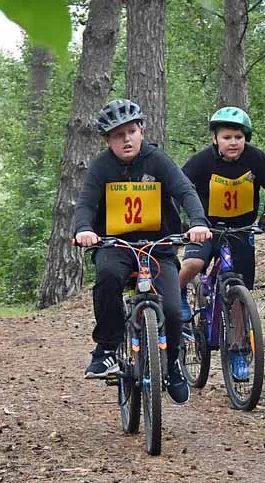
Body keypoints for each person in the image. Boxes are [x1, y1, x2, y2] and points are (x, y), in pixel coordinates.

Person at [74, 98, 212, 405]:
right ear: (107, 140)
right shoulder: (101, 167)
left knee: (174, 311)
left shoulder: (157, 160)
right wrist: (84, 229)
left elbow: (185, 190)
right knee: (107, 277)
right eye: (117, 135)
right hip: (116, 245)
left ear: (142, 130)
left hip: (158, 247)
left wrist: (198, 222)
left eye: (131, 132)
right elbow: (85, 203)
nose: (126, 139)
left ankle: (173, 363)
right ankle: (107, 348)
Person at [178, 106, 265, 380]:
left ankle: (238, 350)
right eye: (227, 137)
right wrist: (189, 221)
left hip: (241, 230)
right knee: (192, 263)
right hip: (207, 228)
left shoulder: (256, 158)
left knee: (238, 293)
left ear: (245, 138)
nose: (233, 142)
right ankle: (178, 293)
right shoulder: (201, 162)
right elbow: (180, 188)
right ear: (215, 139)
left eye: (238, 137)